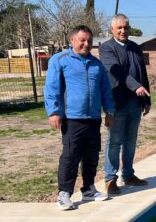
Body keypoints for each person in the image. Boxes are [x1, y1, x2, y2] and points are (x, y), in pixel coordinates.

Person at [45, 25, 115, 210]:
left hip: (93, 117)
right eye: (82, 40)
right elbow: (52, 88)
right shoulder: (60, 60)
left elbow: (105, 90)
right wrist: (53, 112)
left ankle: (88, 189)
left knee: (91, 154)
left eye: (89, 41)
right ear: (72, 40)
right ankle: (64, 194)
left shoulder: (97, 64)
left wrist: (109, 111)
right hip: (72, 117)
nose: (86, 44)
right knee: (70, 156)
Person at [100, 14, 151, 195]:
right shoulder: (106, 49)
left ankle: (128, 175)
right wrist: (136, 86)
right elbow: (118, 73)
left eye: (126, 28)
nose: (123, 31)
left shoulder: (136, 48)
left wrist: (146, 100)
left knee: (130, 141)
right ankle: (110, 179)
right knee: (114, 142)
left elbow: (142, 74)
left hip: (135, 103)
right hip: (117, 103)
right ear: (112, 29)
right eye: (119, 28)